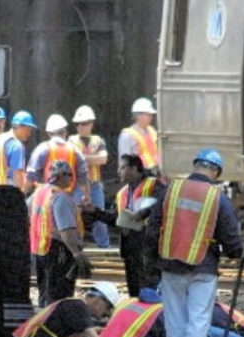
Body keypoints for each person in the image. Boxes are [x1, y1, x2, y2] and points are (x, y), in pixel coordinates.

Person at [146, 148, 243, 337]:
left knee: (175, 318)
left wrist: (151, 258)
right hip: (203, 267)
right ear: (215, 171)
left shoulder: (172, 189)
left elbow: (153, 226)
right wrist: (237, 252)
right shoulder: (216, 196)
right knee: (199, 320)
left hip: (170, 264)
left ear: (196, 165)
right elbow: (230, 237)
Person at [83, 155, 165, 297]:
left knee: (152, 290)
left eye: (123, 167)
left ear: (134, 169)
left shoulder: (154, 185)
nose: (118, 171)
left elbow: (164, 206)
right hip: (130, 249)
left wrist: (145, 212)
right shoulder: (122, 193)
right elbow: (117, 219)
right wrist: (95, 212)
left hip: (150, 248)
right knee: (134, 291)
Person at [28, 161, 94, 307]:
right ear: (61, 176)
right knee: (59, 295)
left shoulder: (39, 193)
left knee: (45, 291)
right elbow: (66, 231)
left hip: (40, 250)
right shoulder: (61, 197)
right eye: (70, 175)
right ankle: (56, 324)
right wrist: (77, 253)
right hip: (59, 251)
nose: (72, 179)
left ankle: (43, 321)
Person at [24, 114, 91, 203]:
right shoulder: (75, 151)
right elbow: (83, 178)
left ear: (49, 133)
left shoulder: (42, 149)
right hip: (70, 197)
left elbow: (31, 177)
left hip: (46, 199)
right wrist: (87, 197)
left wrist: (21, 195)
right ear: (65, 131)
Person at [69, 105, 110, 248]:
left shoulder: (98, 140)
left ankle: (104, 247)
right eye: (78, 124)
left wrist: (83, 158)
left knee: (99, 216)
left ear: (91, 123)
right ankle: (75, 246)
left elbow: (103, 159)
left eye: (84, 123)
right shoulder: (71, 141)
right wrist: (93, 158)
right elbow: (72, 160)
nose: (80, 126)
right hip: (78, 185)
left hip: (94, 185)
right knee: (75, 216)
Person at [0, 110, 36, 188]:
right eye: (28, 130)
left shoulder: (0, 139)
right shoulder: (16, 145)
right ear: (20, 127)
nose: (29, 134)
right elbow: (17, 174)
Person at [118, 98, 160, 175]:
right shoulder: (127, 135)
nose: (151, 117)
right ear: (138, 115)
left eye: (151, 115)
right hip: (140, 175)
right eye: (148, 114)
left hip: (156, 173)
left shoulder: (152, 131)